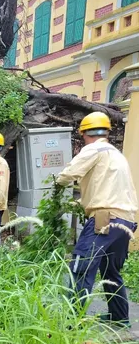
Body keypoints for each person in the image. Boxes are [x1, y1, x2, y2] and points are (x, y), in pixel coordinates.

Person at [56, 112, 138, 328]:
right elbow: (106, 188)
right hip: (126, 221)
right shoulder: (116, 154)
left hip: (105, 219)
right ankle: (120, 320)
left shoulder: (94, 149)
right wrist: (82, 202)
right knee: (111, 271)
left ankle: (74, 324)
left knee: (81, 265)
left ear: (85, 133)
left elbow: (67, 175)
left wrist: (57, 182)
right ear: (106, 132)